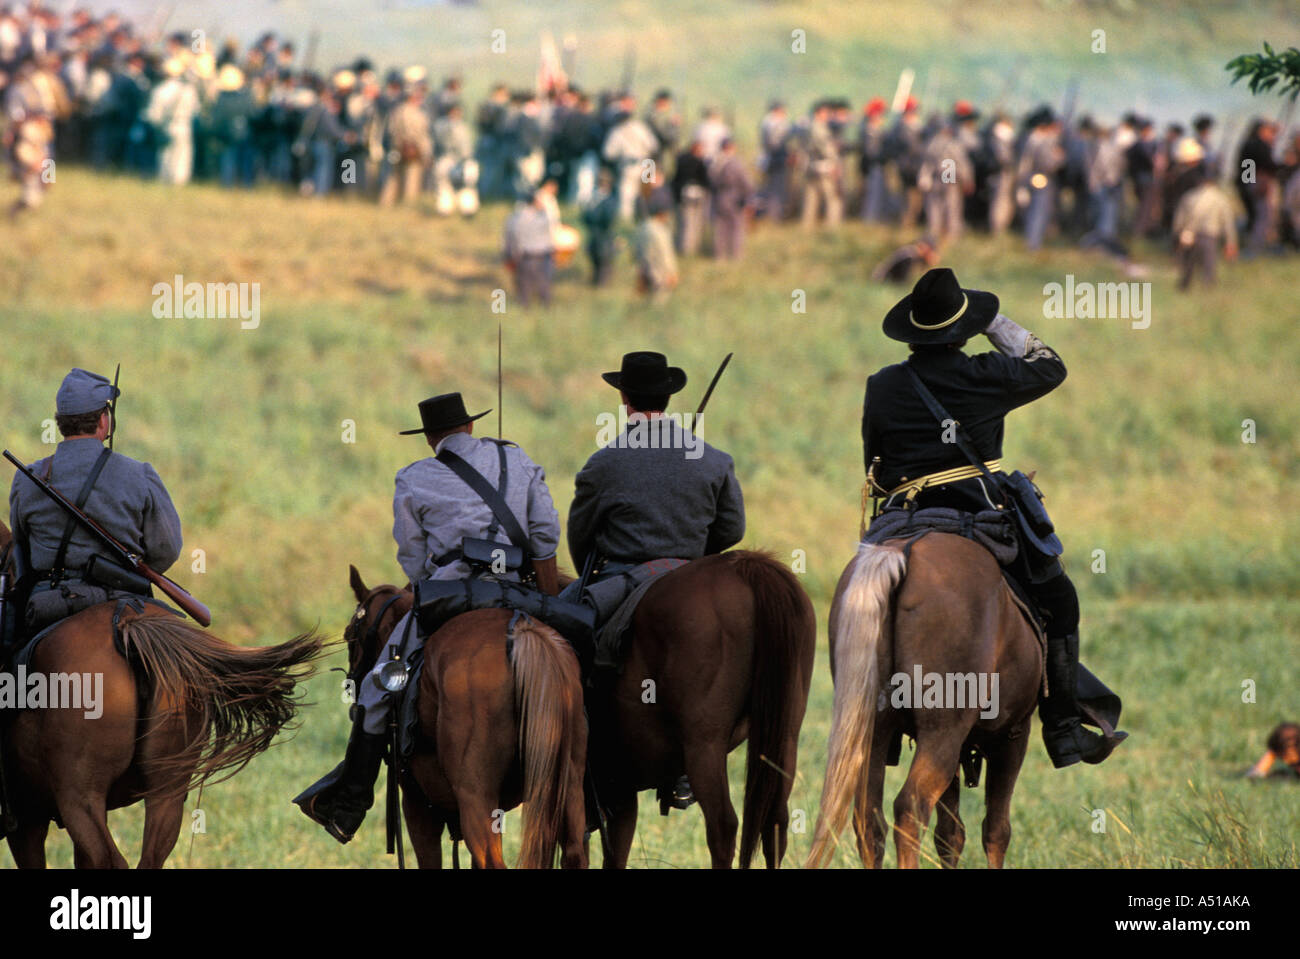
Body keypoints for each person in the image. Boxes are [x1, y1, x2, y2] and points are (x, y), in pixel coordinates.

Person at [862, 268, 1126, 768]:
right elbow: (1050, 366)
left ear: (912, 330)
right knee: (1059, 600)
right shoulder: (984, 373)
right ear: (963, 331)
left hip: (900, 520)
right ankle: (1065, 726)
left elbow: (873, 465)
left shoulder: (883, 384)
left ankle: (883, 719)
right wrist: (993, 323)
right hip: (977, 517)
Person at [296, 392, 561, 843]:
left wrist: (438, 582)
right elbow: (545, 535)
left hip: (452, 596)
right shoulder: (516, 460)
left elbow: (414, 561)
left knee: (379, 686)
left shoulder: (415, 477)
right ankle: (595, 790)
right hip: (520, 592)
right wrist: (545, 596)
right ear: (470, 428)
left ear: (430, 439)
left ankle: (350, 798)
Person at [8, 369, 183, 636]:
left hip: (46, 606)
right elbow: (166, 549)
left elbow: (22, 546)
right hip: (124, 603)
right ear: (104, 421)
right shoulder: (140, 474)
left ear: (60, 422)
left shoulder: (27, 478)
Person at [1171, 152, 1237, 290]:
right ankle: (1208, 290)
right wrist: (1231, 242)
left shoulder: (1189, 196)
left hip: (1190, 235)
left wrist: (1178, 235)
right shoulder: (1221, 199)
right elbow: (1228, 223)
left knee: (1188, 266)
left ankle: (1185, 288)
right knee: (1209, 267)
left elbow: (1179, 220)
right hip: (1210, 236)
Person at [503, 186, 557, 307]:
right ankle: (545, 314)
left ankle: (525, 315)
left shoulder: (514, 218)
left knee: (524, 291)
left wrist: (509, 255)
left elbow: (509, 239)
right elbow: (553, 226)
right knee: (544, 290)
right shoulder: (542, 217)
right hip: (543, 257)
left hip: (524, 257)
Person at [709, 137, 753, 260]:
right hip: (735, 198)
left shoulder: (715, 162)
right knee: (737, 228)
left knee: (720, 229)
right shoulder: (735, 163)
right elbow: (746, 182)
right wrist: (748, 196)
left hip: (718, 199)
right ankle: (736, 255)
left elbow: (711, 181)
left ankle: (719, 256)